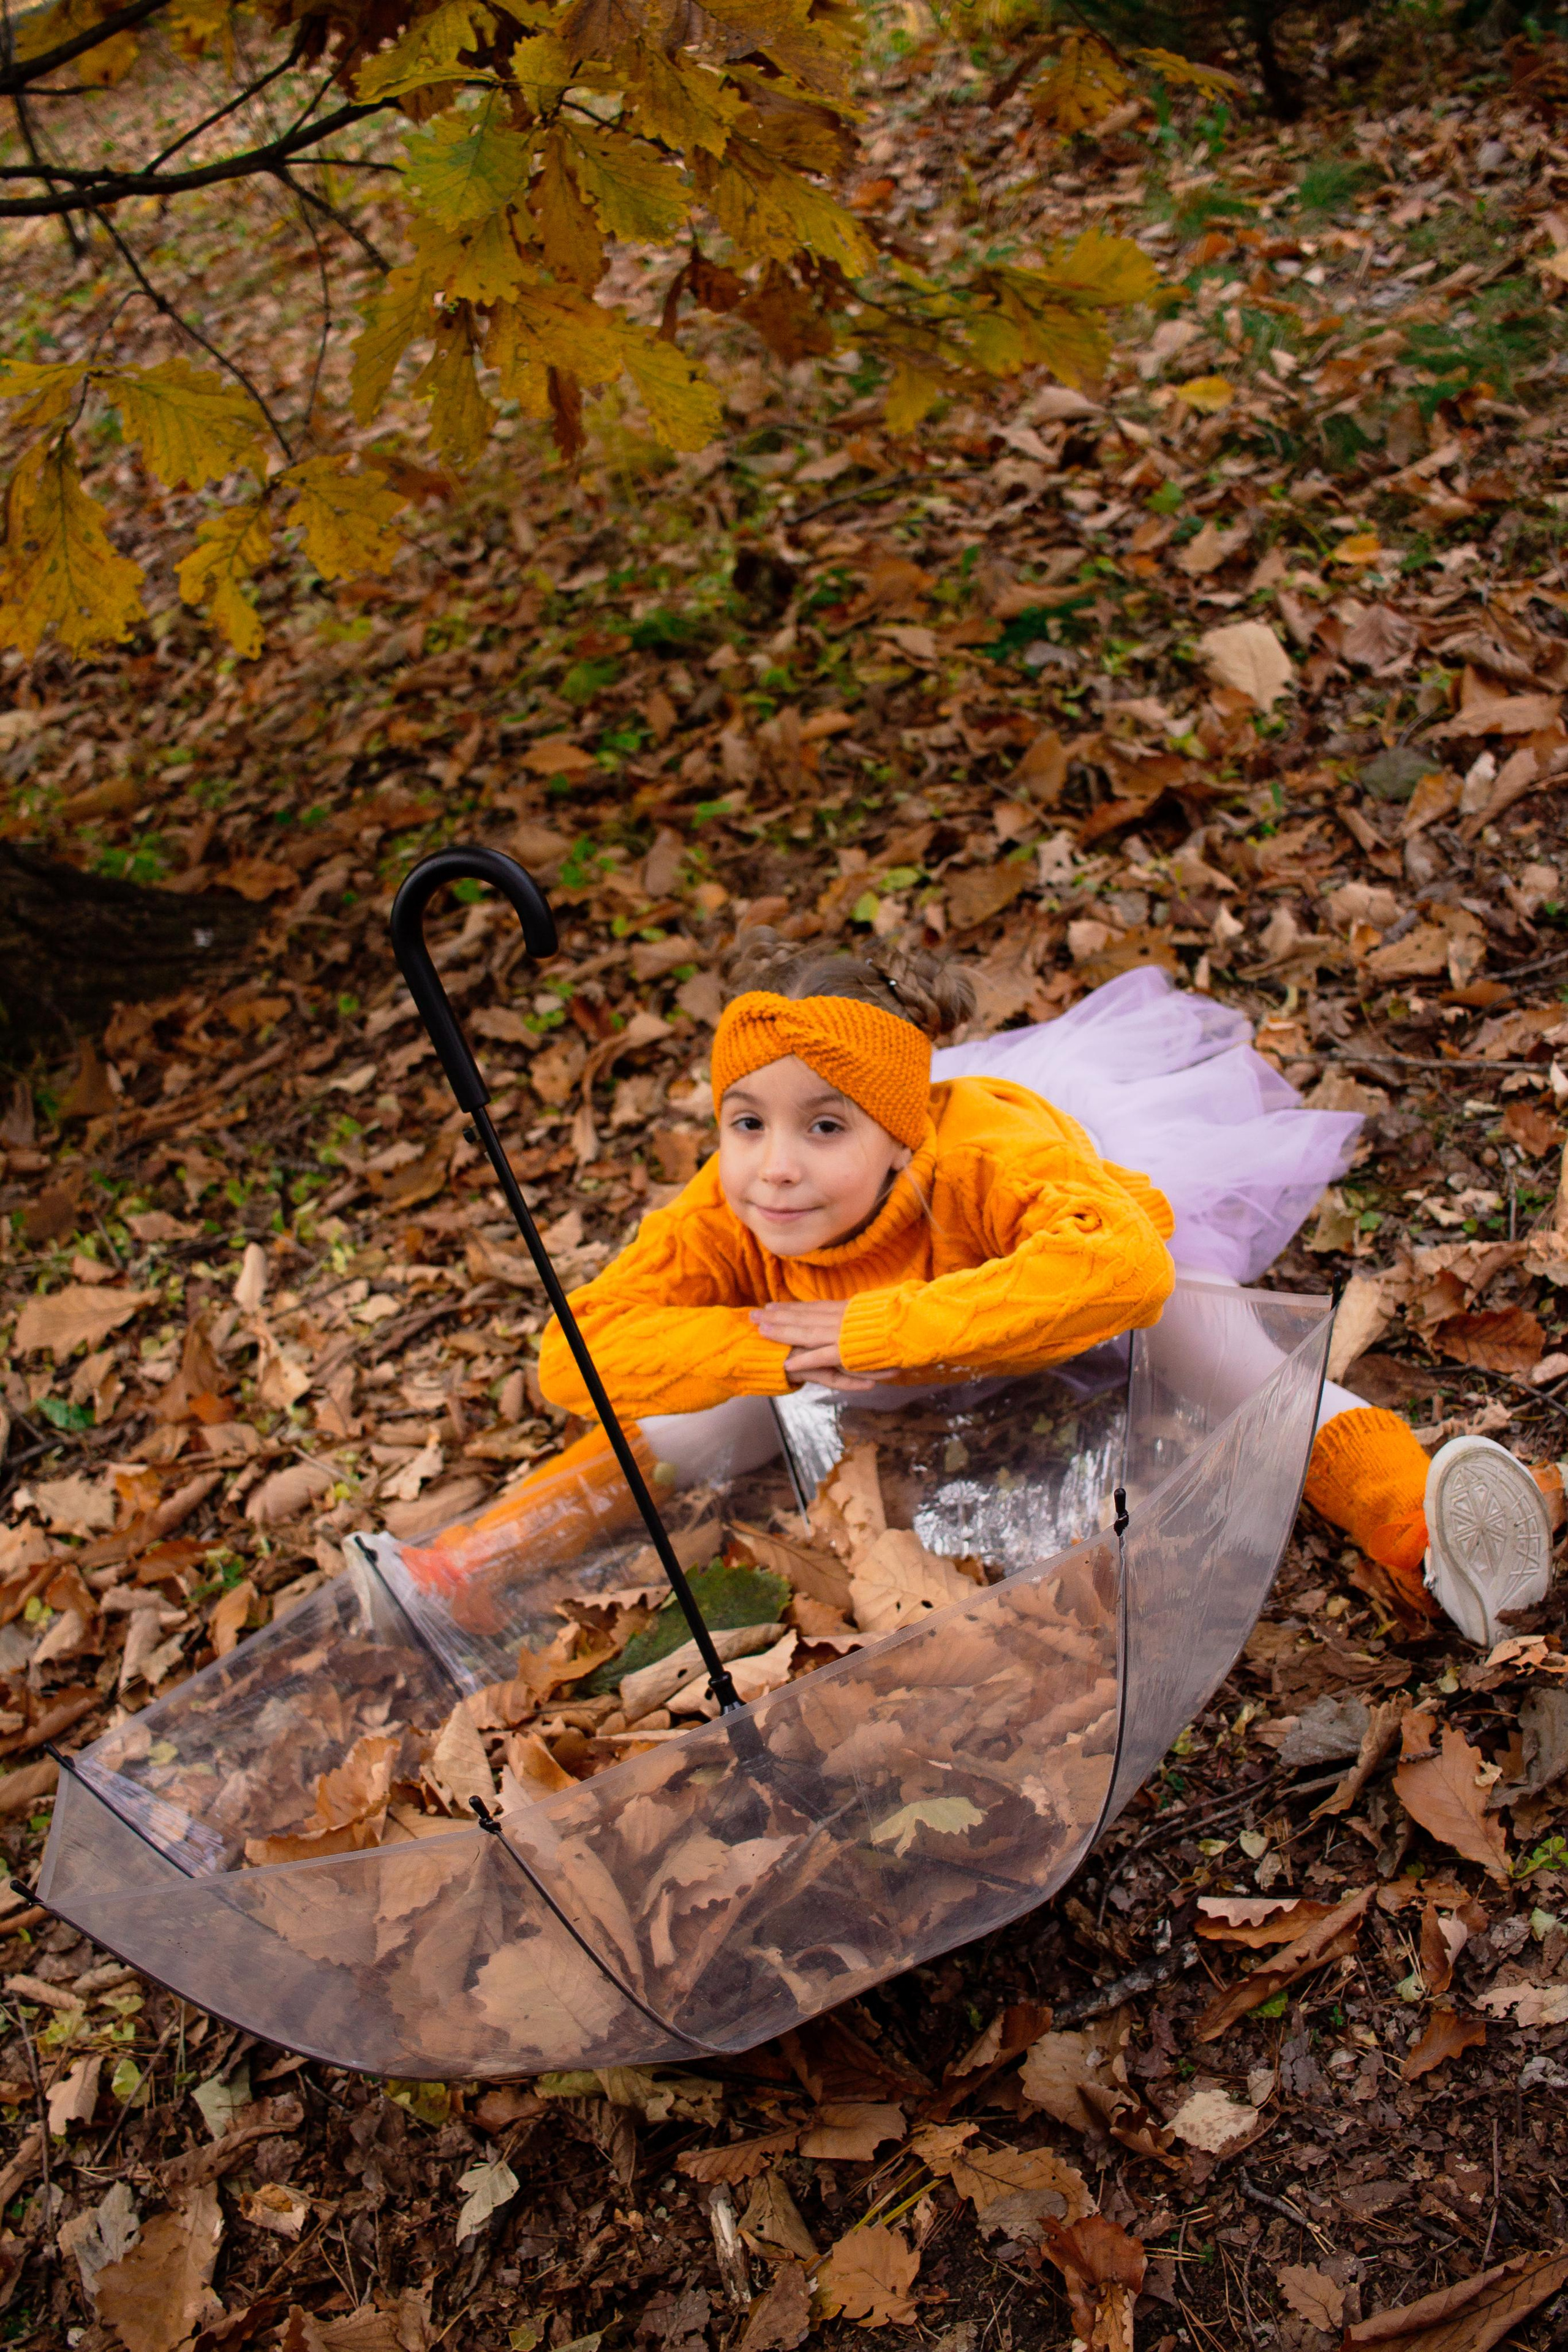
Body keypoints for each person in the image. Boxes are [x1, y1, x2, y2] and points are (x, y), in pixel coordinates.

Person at [401, 936, 1554, 1650]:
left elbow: (1117, 1266)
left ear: (904, 1137)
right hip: (847, 1354)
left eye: (824, 1127)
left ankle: (1413, 1519)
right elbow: (576, 1355)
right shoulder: (728, 1202)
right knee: (696, 1415)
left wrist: (871, 1327)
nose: (776, 1165)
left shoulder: (991, 1148)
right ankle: (475, 1561)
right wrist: (773, 1354)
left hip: (1026, 1300)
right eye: (746, 1122)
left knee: (1200, 1321)